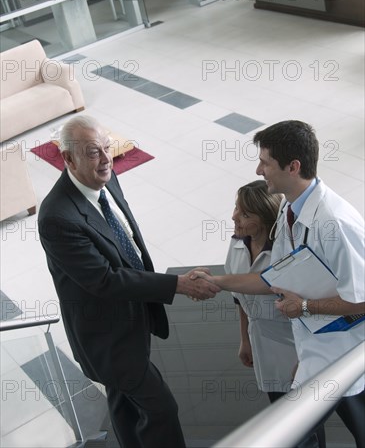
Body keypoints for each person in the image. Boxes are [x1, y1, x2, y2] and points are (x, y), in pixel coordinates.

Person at [38, 115, 220, 448]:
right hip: (108, 338)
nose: (106, 159)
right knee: (162, 408)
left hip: (131, 318)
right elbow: (105, 280)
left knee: (124, 405)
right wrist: (177, 285)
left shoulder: (105, 177)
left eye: (107, 148)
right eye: (94, 152)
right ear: (68, 158)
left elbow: (125, 239)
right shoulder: (57, 217)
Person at [194, 120, 365, 447]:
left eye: (266, 162)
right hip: (316, 348)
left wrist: (304, 307)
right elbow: (274, 277)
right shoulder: (289, 205)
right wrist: (216, 280)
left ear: (293, 166)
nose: (259, 170)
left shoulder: (336, 223)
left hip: (344, 351)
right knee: (301, 432)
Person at [222, 180, 298, 402]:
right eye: (237, 207)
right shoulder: (237, 243)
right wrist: (244, 339)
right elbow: (239, 297)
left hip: (292, 344)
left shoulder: (286, 253)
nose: (234, 217)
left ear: (265, 220)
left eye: (245, 214)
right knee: (278, 406)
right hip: (261, 341)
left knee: (303, 418)